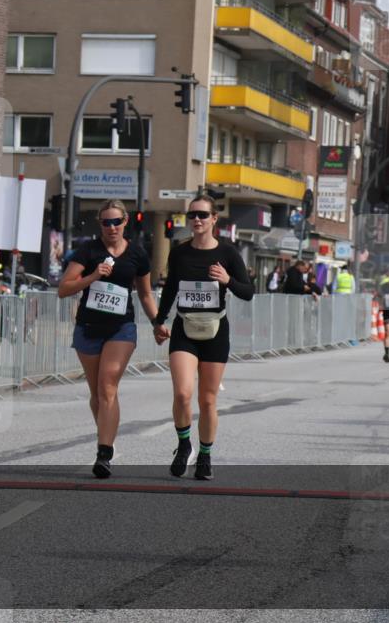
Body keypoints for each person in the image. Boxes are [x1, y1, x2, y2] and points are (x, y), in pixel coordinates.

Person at [153, 195, 254, 481]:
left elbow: (248, 291)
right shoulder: (180, 252)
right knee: (183, 393)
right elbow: (171, 287)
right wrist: (160, 321)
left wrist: (228, 281)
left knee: (207, 400)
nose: (196, 220)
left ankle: (206, 457)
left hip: (215, 331)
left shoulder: (228, 253)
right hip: (185, 328)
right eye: (192, 215)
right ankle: (185, 444)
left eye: (202, 215)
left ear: (213, 219)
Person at [58, 200, 158, 478]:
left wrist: (158, 322)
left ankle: (103, 453)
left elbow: (146, 294)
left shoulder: (137, 253)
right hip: (88, 328)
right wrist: (92, 276)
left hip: (121, 328)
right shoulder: (88, 250)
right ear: (100, 224)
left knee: (108, 387)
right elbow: (64, 289)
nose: (112, 227)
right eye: (106, 222)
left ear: (126, 222)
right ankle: (107, 436)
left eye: (117, 222)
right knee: (97, 394)